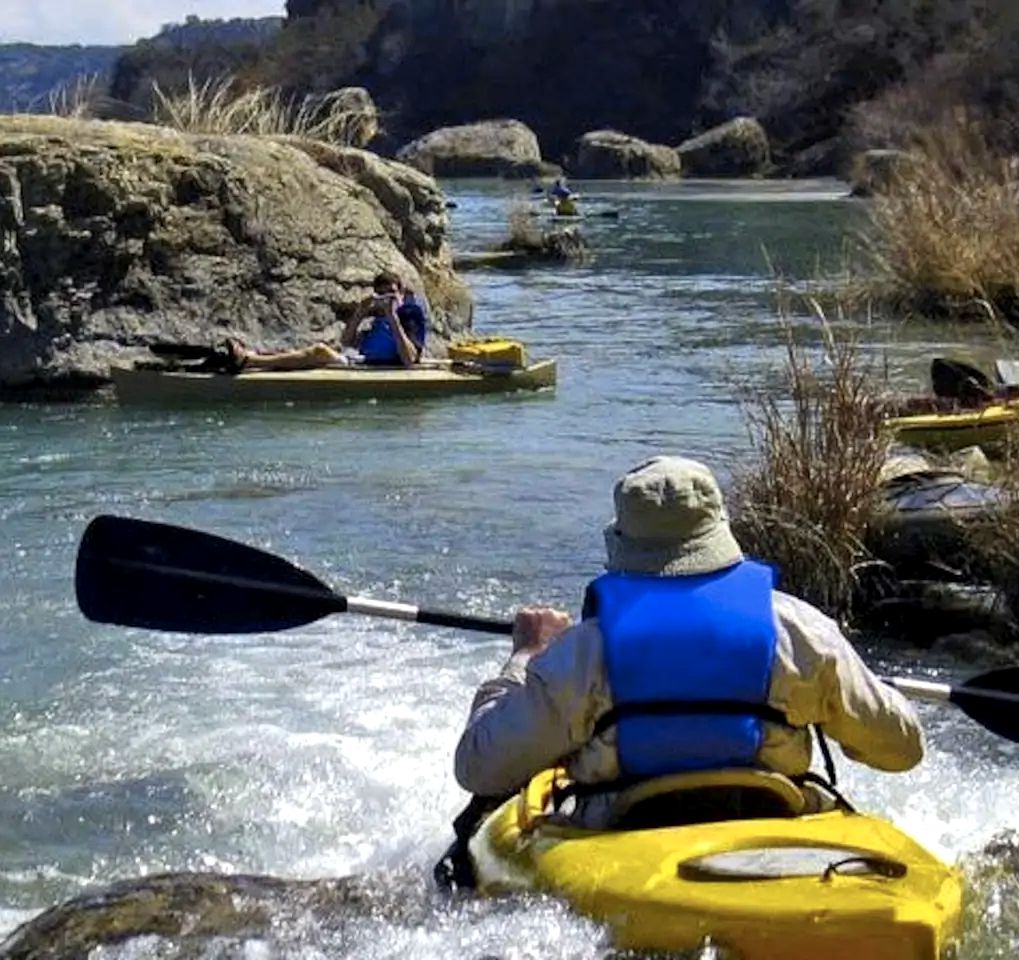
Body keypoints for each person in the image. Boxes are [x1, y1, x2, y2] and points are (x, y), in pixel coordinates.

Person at [435, 455, 924, 888]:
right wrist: (845, 692)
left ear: (624, 542)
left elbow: (479, 766)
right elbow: (902, 749)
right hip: (774, 831)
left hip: (625, 841)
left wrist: (528, 656)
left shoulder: (583, 652)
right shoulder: (801, 630)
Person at [229, 271, 427, 371]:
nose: (387, 299)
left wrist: (393, 318)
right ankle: (253, 356)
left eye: (392, 293)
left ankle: (249, 360)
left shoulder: (409, 313)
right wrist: (360, 311)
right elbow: (347, 342)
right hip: (363, 362)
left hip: (383, 367)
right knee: (313, 350)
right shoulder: (378, 316)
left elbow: (410, 360)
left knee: (319, 351)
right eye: (382, 295)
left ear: (401, 292)